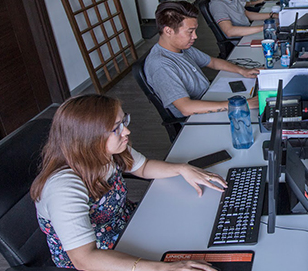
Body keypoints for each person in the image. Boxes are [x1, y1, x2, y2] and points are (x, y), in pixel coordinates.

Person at [31, 94, 226, 270]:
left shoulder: (109, 151)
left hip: (127, 227)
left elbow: (143, 167)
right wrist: (162, 268)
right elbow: (85, 259)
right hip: (100, 259)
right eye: (116, 128)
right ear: (89, 138)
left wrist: (182, 169)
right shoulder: (64, 188)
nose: (126, 131)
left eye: (123, 121)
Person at [145, 1, 260, 118]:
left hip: (209, 98)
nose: (195, 36)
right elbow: (186, 108)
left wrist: (243, 71)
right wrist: (242, 104)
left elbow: (213, 62)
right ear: (168, 31)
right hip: (195, 118)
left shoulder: (182, 48)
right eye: (190, 31)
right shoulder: (160, 65)